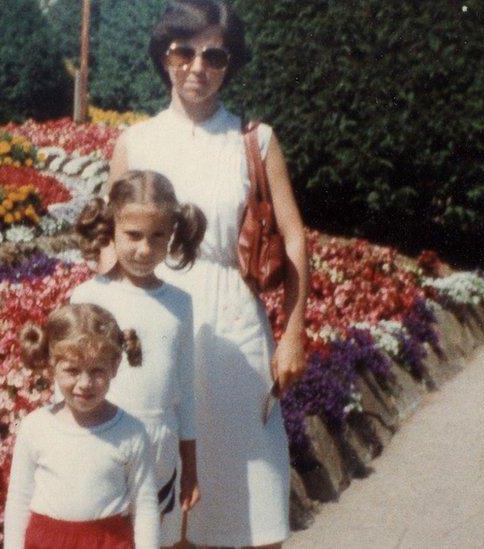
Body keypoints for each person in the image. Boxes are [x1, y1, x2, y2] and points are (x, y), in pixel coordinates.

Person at [103, 1, 310, 546]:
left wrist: (291, 333)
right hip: (153, 321)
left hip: (232, 323)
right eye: (184, 51)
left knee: (253, 494)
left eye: (215, 56)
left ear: (230, 63)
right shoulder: (136, 142)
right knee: (164, 505)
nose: (198, 66)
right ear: (164, 56)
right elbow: (112, 245)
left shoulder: (255, 140)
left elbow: (293, 237)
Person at [73, 169, 207, 547]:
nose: (145, 250)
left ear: (173, 234)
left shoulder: (179, 304)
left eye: (158, 236)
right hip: (100, 453)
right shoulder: (89, 297)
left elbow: (185, 393)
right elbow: (67, 385)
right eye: (133, 235)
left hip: (159, 459)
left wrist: (190, 468)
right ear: (111, 227)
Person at [4, 303, 160, 549]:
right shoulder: (35, 428)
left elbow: (145, 504)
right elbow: (19, 501)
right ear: (52, 364)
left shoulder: (131, 433)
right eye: (72, 370)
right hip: (47, 541)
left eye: (97, 370)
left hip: (109, 541)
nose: (85, 383)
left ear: (115, 365)